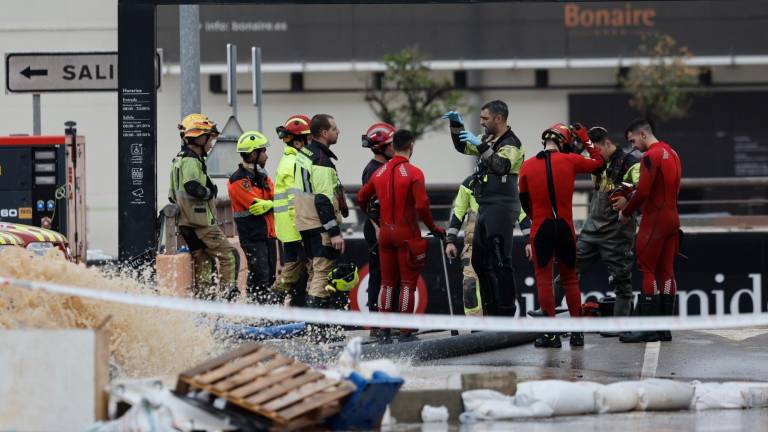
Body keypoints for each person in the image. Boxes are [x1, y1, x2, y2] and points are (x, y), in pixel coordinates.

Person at [519, 123, 604, 348]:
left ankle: (550, 336)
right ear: (563, 142)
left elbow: (524, 202)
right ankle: (578, 334)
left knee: (545, 282)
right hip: (565, 228)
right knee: (570, 279)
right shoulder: (571, 160)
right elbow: (599, 162)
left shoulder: (526, 166)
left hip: (541, 227)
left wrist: (536, 216)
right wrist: (586, 138)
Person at [357, 129, 445, 343]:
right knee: (407, 284)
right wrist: (434, 228)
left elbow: (361, 198)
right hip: (407, 234)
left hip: (385, 234)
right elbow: (422, 205)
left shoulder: (379, 173)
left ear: (393, 146)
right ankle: (405, 330)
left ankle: (384, 330)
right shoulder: (414, 173)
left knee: (387, 283)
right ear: (411, 145)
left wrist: (375, 218)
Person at [552, 126, 641, 330]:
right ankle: (547, 309)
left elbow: (642, 188)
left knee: (622, 281)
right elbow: (567, 162)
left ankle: (620, 327)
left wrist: (627, 202)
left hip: (618, 231)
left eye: (596, 149)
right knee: (569, 268)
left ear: (608, 143)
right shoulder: (596, 162)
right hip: (592, 229)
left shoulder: (631, 163)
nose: (593, 155)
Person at [443, 100, 525, 317]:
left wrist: (481, 146)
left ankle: (506, 312)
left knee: (501, 261)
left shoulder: (511, 144)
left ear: (499, 119)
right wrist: (456, 127)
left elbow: (500, 166)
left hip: (502, 206)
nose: (481, 123)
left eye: (485, 119)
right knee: (479, 262)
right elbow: (462, 145)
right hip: (485, 207)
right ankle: (491, 310)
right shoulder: (487, 139)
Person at [617, 118, 682, 343]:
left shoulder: (649, 156)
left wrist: (625, 212)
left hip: (654, 220)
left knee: (646, 269)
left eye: (633, 140)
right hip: (673, 219)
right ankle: (664, 329)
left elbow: (643, 193)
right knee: (667, 271)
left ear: (643, 134)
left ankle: (648, 329)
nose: (633, 146)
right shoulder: (672, 153)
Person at [169, 113, 239, 301]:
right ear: (199, 137)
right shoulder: (191, 161)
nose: (211, 144)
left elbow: (171, 194)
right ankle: (227, 297)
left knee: (205, 262)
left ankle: (205, 302)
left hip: (186, 223)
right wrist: (210, 192)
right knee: (230, 256)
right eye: (209, 138)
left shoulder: (179, 160)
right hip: (200, 222)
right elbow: (192, 186)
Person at [445, 175, 531, 316]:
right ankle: (476, 326)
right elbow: (458, 212)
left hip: (498, 245)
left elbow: (521, 213)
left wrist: (529, 240)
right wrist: (450, 240)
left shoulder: (507, 184)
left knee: (498, 282)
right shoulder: (469, 183)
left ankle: (500, 321)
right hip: (473, 245)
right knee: (470, 284)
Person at [294, 113, 347, 311]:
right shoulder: (321, 160)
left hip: (305, 222)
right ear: (324, 133)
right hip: (319, 224)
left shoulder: (305, 153)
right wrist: (334, 232)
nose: (338, 131)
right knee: (323, 272)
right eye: (334, 129)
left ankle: (313, 325)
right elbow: (323, 199)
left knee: (315, 273)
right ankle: (317, 329)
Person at [227, 130, 277, 304]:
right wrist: (271, 203)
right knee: (259, 277)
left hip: (269, 234)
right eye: (263, 151)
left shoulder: (262, 176)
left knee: (270, 276)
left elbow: (275, 195)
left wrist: (271, 203)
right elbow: (255, 204)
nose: (266, 155)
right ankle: (257, 315)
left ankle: (266, 315)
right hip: (253, 236)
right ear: (253, 153)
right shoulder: (238, 180)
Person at [272, 115, 312, 306]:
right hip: (294, 229)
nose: (311, 143)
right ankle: (269, 306)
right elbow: (293, 201)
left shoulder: (291, 159)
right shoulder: (294, 162)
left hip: (290, 228)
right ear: (298, 141)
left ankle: (291, 307)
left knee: (298, 272)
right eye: (309, 139)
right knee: (292, 272)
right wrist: (302, 229)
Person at [361, 122, 396, 331]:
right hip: (378, 229)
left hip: (387, 227)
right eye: (390, 144)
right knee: (379, 274)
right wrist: (378, 228)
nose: (394, 147)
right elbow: (370, 204)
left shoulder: (385, 167)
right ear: (380, 147)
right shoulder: (373, 170)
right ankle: (376, 322)